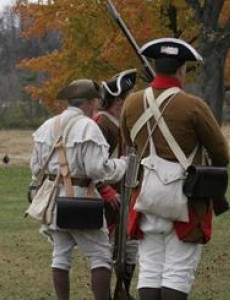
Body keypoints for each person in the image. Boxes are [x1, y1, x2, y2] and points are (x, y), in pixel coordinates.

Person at [120, 38, 229, 300]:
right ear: (181, 69)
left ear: (157, 68)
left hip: (147, 197)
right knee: (177, 273)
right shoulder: (193, 105)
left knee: (150, 271)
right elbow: (221, 154)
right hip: (186, 200)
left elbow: (129, 143)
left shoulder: (131, 103)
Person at [30, 79, 127, 300]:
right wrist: (122, 165)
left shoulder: (47, 126)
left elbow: (35, 168)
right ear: (90, 102)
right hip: (82, 200)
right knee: (100, 256)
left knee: (60, 256)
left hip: (55, 203)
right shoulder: (88, 127)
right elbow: (98, 171)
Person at [96, 68, 139, 297]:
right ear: (120, 99)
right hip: (110, 198)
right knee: (108, 249)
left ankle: (122, 290)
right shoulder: (102, 123)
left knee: (129, 246)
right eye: (131, 95)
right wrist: (106, 191)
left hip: (126, 193)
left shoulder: (124, 122)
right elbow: (93, 164)